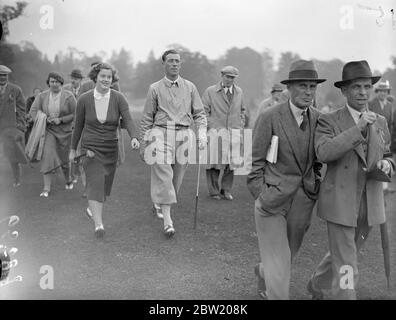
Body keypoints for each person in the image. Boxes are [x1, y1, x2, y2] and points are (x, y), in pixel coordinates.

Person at [308, 60, 395, 300]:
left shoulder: (380, 121)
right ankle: (346, 296)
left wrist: (388, 164)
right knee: (348, 263)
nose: (363, 92)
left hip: (370, 204)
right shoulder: (329, 120)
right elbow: (323, 153)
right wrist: (357, 129)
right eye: (356, 87)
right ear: (344, 91)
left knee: (348, 252)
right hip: (340, 202)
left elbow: (387, 154)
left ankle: (317, 282)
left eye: (367, 87)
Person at [247, 60, 326, 299]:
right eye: (302, 86)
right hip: (271, 201)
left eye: (312, 87)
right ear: (289, 89)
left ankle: (263, 272)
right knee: (280, 267)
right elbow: (256, 162)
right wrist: (262, 192)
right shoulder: (270, 117)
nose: (308, 92)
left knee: (285, 257)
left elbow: (320, 159)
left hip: (303, 201)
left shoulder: (320, 119)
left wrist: (315, 184)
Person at [139, 49, 207, 237]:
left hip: (185, 134)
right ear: (164, 64)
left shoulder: (190, 87)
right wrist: (144, 144)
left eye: (177, 61)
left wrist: (201, 133)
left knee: (176, 178)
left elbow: (199, 113)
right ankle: (168, 221)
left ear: (180, 64)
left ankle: (161, 201)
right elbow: (146, 119)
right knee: (164, 172)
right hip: (160, 132)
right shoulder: (154, 88)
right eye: (170, 61)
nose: (174, 64)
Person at [70, 63, 139, 238]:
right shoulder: (84, 99)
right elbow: (78, 126)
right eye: (102, 76)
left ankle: (93, 208)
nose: (106, 80)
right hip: (90, 148)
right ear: (95, 77)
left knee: (104, 186)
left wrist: (134, 137)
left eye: (109, 77)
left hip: (110, 148)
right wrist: (72, 149)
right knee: (95, 183)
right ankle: (98, 224)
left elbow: (128, 120)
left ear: (112, 79)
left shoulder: (118, 98)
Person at [202, 66, 245, 200]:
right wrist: (211, 126)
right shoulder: (210, 91)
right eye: (228, 77)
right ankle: (214, 191)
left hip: (234, 132)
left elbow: (243, 110)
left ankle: (226, 190)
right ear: (222, 76)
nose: (230, 80)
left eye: (232, 77)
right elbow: (203, 112)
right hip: (216, 132)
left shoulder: (239, 92)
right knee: (213, 163)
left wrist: (240, 124)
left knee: (230, 164)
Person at [30, 72, 77, 196]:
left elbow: (75, 114)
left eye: (57, 82)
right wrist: (44, 119)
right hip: (48, 131)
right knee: (47, 157)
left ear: (61, 83)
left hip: (65, 132)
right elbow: (33, 111)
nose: (54, 84)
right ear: (48, 83)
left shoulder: (69, 96)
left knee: (64, 159)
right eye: (52, 81)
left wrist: (61, 120)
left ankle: (68, 179)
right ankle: (46, 188)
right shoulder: (42, 96)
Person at [0, 65, 27, 187]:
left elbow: (22, 108)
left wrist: (20, 125)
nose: (2, 78)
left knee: (13, 155)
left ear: (8, 76)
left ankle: (16, 179)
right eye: (0, 75)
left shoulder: (15, 90)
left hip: (11, 127)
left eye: (4, 75)